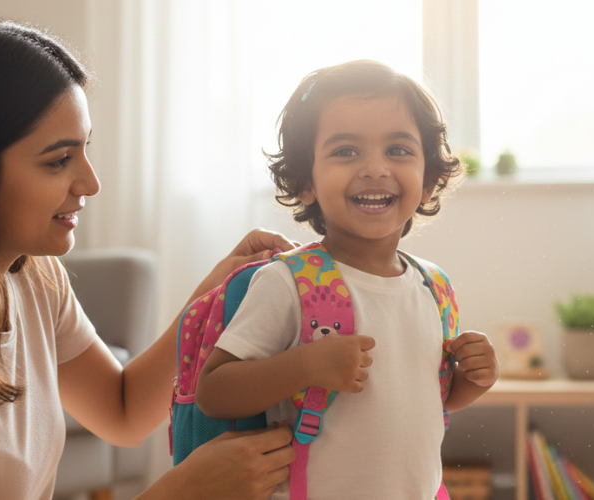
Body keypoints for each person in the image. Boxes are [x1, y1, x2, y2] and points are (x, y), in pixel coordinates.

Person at [0, 17, 296, 500]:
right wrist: (183, 491)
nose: (90, 183)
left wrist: (214, 293)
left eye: (85, 150)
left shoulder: (34, 277)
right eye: (59, 160)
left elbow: (122, 410)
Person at [195, 60, 500, 499]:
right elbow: (215, 391)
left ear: (430, 180)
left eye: (398, 150)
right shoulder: (289, 283)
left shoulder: (435, 288)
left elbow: (431, 400)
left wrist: (473, 379)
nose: (375, 168)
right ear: (304, 182)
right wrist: (305, 366)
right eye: (346, 151)